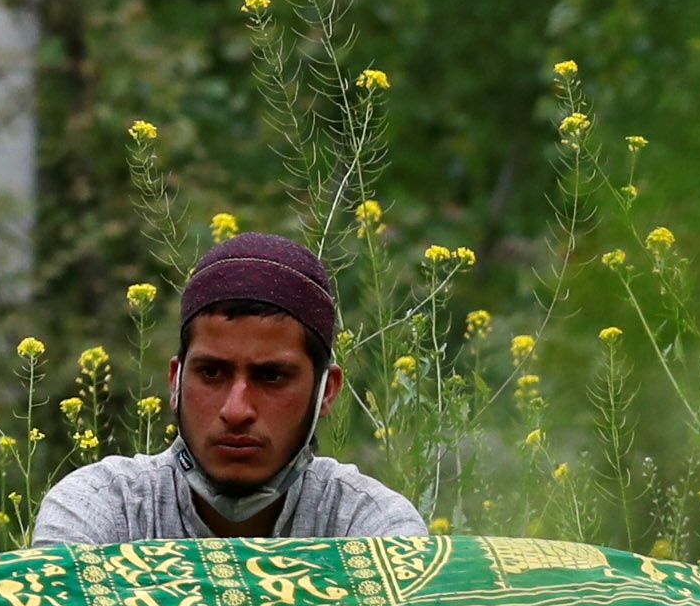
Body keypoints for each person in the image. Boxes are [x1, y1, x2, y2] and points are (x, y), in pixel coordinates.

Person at [32, 232, 428, 544]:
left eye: (271, 377)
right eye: (212, 373)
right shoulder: (100, 510)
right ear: (176, 381)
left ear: (326, 391)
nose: (236, 410)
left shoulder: (371, 526)